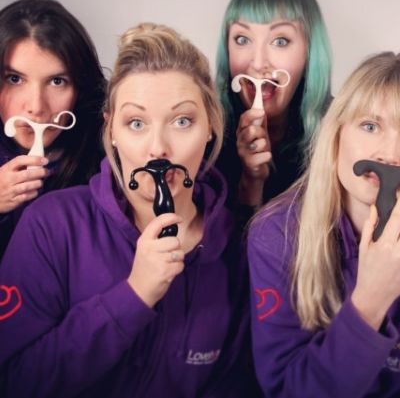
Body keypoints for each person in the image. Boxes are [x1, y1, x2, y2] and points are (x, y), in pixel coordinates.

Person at [0, 23, 257, 397]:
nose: (158, 148)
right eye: (136, 123)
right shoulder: (52, 225)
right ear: (112, 132)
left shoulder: (239, 248)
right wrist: (134, 295)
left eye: (182, 121)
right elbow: (13, 381)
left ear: (211, 126)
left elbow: (235, 383)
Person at [248, 53, 400, 398]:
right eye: (370, 126)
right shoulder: (275, 235)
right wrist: (370, 302)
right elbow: (287, 390)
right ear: (337, 134)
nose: (389, 155)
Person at [0, 0, 106, 259]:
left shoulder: (108, 162)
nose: (36, 107)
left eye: (57, 81)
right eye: (15, 79)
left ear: (80, 88)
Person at [215, 0, 332, 210]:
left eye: (280, 41)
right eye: (242, 39)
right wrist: (251, 180)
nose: (258, 63)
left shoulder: (339, 134)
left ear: (310, 51)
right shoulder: (208, 138)